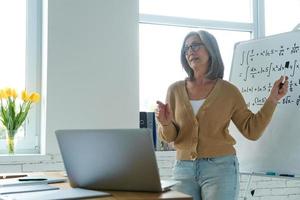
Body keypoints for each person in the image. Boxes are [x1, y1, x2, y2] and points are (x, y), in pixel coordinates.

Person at [155, 30, 288, 200]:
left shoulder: (228, 91)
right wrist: (165, 124)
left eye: (195, 45)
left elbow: (252, 130)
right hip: (183, 169)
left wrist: (272, 100)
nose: (190, 51)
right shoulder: (174, 90)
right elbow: (171, 137)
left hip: (220, 169)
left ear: (210, 49)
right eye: (186, 48)